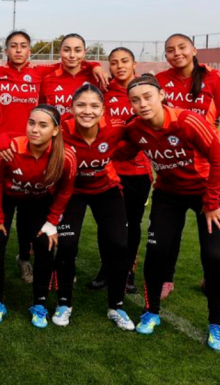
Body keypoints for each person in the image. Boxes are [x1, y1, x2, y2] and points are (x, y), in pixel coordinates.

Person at [114, 74, 220, 351]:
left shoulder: (187, 121)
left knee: (213, 256)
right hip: (168, 195)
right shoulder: (135, 128)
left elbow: (218, 158)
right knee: (157, 251)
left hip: (207, 193)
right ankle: (151, 311)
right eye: (135, 100)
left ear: (161, 95)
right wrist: (106, 134)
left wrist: (212, 202)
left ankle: (217, 324)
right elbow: (124, 153)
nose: (142, 104)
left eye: (147, 97)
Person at [0, 31, 103, 284]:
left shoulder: (41, 73)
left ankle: (24, 259)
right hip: (4, 151)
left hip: (38, 148)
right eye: (13, 46)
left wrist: (95, 64)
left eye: (23, 46)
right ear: (6, 50)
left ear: (29, 51)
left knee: (30, 215)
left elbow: (73, 62)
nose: (18, 50)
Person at [154, 34, 220, 298]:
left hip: (206, 170)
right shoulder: (161, 80)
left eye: (181, 48)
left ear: (193, 50)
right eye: (170, 50)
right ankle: (166, 278)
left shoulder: (213, 78)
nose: (176, 53)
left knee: (212, 232)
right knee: (168, 233)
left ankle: (209, 275)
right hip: (173, 171)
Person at [0, 104, 76, 327]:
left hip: (38, 200)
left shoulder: (66, 156)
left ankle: (40, 305)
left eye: (42, 125)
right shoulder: (11, 149)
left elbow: (65, 191)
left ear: (55, 130)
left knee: (45, 243)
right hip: (6, 197)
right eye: (31, 123)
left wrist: (52, 222)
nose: (35, 129)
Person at [49, 84, 132, 329]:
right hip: (70, 192)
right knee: (67, 244)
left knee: (118, 244)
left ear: (103, 110)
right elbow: (30, 136)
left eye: (94, 106)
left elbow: (142, 132)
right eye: (81, 105)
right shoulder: (59, 128)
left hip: (106, 189)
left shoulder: (116, 127)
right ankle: (64, 303)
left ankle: (116, 306)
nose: (88, 111)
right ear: (71, 108)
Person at [88, 47, 152, 294]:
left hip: (137, 171)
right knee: (108, 223)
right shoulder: (104, 92)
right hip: (107, 169)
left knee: (132, 224)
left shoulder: (143, 92)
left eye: (124, 61)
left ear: (134, 63)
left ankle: (128, 272)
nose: (119, 66)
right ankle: (106, 269)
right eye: (113, 62)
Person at [39, 33, 100, 115]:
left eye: (77, 50)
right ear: (60, 51)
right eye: (66, 50)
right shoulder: (48, 80)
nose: (72, 55)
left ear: (84, 53)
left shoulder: (95, 78)